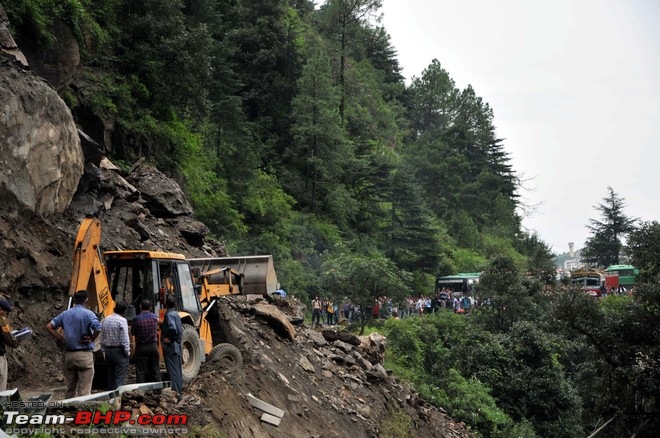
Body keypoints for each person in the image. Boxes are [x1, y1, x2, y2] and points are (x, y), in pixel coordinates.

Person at [46, 290, 102, 399]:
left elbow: (49, 326)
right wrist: (91, 339)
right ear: (86, 300)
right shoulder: (89, 314)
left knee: (70, 387)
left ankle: (67, 410)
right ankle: (82, 412)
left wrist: (61, 338)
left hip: (69, 355)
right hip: (84, 355)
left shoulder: (65, 314)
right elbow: (98, 328)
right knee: (85, 389)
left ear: (74, 301)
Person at [100, 301, 131, 390]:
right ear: (124, 311)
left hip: (108, 350)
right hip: (119, 351)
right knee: (119, 376)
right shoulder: (122, 321)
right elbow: (124, 338)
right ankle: (117, 396)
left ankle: (110, 394)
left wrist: (103, 350)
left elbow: (102, 336)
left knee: (111, 375)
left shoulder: (106, 319)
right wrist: (127, 351)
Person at [131, 299, 161, 385]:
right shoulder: (154, 317)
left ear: (140, 307)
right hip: (153, 346)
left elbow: (133, 332)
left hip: (141, 347)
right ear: (151, 308)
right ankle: (157, 390)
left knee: (140, 371)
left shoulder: (136, 319)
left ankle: (141, 391)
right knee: (155, 369)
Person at [161, 295, 183, 397]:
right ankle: (179, 392)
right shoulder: (176, 314)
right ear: (175, 304)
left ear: (166, 304)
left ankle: (176, 394)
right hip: (177, 346)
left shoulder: (169, 315)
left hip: (171, 347)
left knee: (173, 371)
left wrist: (170, 339)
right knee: (177, 371)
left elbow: (173, 329)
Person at [0, 299, 18, 391]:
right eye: (5, 312)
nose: (6, 315)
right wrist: (16, 340)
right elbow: (9, 339)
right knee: (1, 388)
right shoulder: (2, 321)